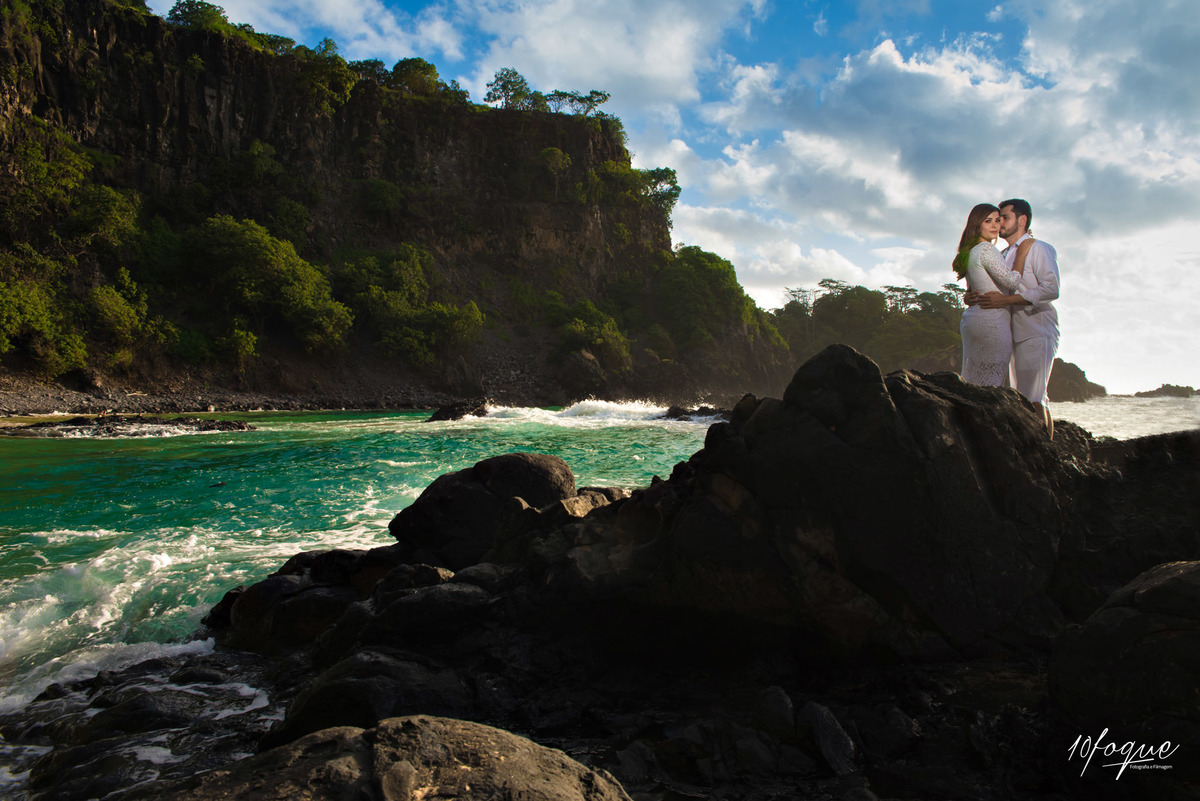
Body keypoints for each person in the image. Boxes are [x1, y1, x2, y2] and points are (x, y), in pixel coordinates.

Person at [973, 198, 1060, 438]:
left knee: (1034, 398)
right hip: (1011, 334)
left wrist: (1006, 301)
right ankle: (1042, 454)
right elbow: (998, 290)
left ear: (1022, 220)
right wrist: (974, 296)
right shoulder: (1002, 254)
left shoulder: (1038, 248)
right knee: (1024, 397)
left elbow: (1051, 289)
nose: (1000, 223)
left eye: (1005, 217)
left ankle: (1045, 460)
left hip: (1037, 329)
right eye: (997, 218)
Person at [952, 203, 1026, 387]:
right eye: (988, 221)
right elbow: (1011, 282)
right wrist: (1022, 255)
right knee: (991, 383)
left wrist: (967, 296)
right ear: (977, 224)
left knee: (973, 381)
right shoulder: (986, 249)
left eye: (998, 220)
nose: (995, 226)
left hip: (973, 320)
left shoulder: (969, 251)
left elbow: (973, 288)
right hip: (991, 323)